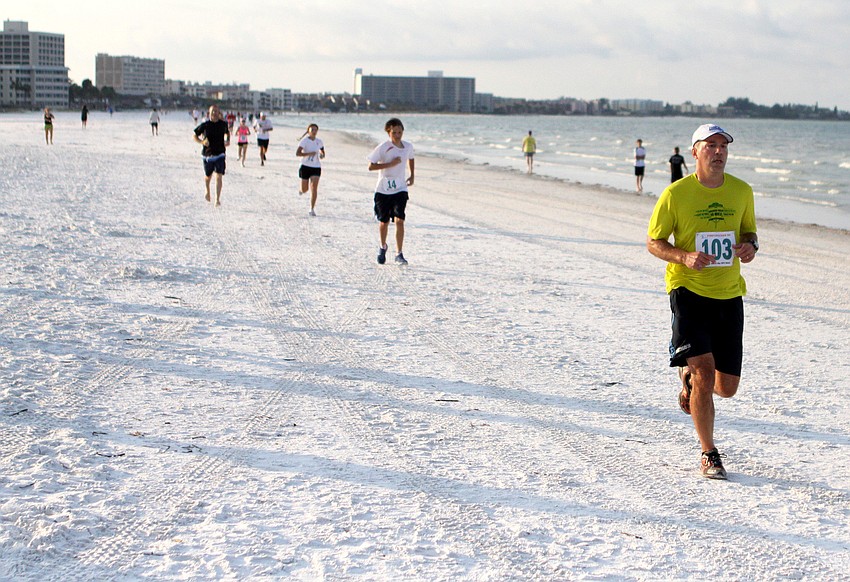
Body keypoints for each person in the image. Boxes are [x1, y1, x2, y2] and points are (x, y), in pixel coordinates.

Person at [646, 123, 759, 480]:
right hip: (688, 292)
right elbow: (654, 241)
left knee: (726, 387)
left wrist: (750, 247)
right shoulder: (676, 194)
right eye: (710, 145)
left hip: (729, 294)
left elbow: (750, 233)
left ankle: (690, 381)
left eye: (723, 145)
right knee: (705, 371)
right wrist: (684, 257)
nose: (718, 151)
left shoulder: (742, 191)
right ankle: (709, 452)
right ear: (694, 152)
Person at [368, 118, 415, 265]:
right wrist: (390, 164)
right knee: (384, 222)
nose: (397, 135)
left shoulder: (408, 146)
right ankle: (383, 247)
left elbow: (411, 158)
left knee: (400, 220)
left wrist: (412, 175)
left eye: (400, 132)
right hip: (383, 190)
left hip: (400, 189)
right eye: (394, 132)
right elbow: (371, 166)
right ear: (389, 132)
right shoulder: (383, 147)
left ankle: (399, 253)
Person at [192, 104, 230, 207]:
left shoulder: (223, 124)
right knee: (208, 177)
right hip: (207, 155)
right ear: (209, 113)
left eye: (216, 111)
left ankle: (217, 199)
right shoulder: (205, 125)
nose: (214, 113)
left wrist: (228, 141)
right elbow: (194, 135)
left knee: (219, 176)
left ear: (219, 113)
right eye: (213, 111)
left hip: (220, 154)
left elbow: (227, 133)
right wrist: (202, 142)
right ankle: (207, 190)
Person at [296, 123, 326, 217]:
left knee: (314, 188)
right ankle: (301, 190)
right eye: (312, 129)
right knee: (305, 189)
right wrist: (308, 154)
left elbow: (322, 152)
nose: (314, 131)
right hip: (305, 166)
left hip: (316, 167)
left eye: (315, 130)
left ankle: (312, 209)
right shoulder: (304, 141)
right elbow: (298, 153)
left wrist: (322, 155)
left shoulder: (319, 141)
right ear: (308, 131)